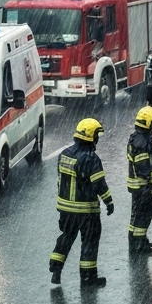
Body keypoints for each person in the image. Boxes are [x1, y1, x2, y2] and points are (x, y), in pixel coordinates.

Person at [49, 117, 114, 288]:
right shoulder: (91, 158)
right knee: (89, 242)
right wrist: (109, 202)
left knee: (67, 237)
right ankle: (88, 278)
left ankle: (56, 268)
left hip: (66, 210)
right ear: (92, 137)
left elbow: (60, 180)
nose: (98, 139)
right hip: (87, 211)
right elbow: (99, 185)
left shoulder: (65, 154)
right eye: (96, 135)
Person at [126, 106, 152, 255]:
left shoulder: (137, 138)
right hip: (143, 187)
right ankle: (140, 245)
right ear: (147, 123)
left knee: (136, 215)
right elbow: (144, 168)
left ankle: (135, 242)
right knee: (144, 216)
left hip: (138, 187)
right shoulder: (143, 142)